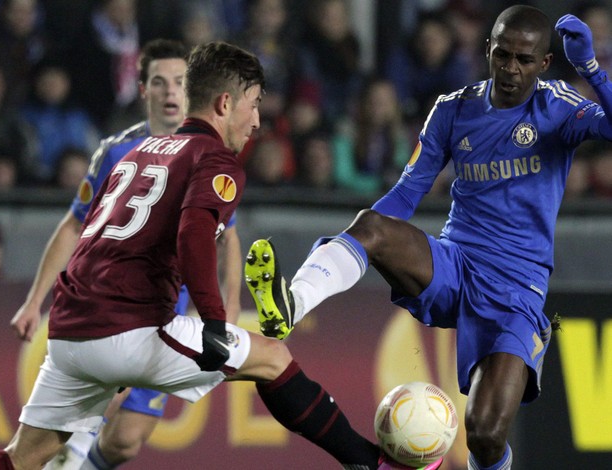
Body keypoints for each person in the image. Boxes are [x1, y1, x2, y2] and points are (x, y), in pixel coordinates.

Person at [245, 6, 612, 470]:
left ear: (543, 64)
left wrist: (591, 69)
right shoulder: (453, 108)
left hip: (517, 288)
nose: (510, 69)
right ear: (487, 51)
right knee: (374, 226)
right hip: (455, 263)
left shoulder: (557, 106)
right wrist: (358, 237)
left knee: (484, 434)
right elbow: (407, 194)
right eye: (502, 55)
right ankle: (291, 305)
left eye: (523, 59)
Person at [0, 40, 382, 470]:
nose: (256, 121)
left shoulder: (136, 152)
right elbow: (194, 236)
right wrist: (214, 322)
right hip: (128, 329)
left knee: (23, 459)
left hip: (69, 331)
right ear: (224, 102)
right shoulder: (214, 159)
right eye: (253, 105)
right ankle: (369, 462)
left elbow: (88, 235)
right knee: (272, 358)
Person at [8, 39, 242, 469]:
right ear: (142, 89)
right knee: (88, 419)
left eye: (180, 82)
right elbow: (74, 224)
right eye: (160, 82)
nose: (171, 92)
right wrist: (33, 300)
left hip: (176, 309)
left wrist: (229, 305)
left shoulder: (209, 151)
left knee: (125, 443)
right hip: (117, 308)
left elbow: (227, 236)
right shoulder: (116, 151)